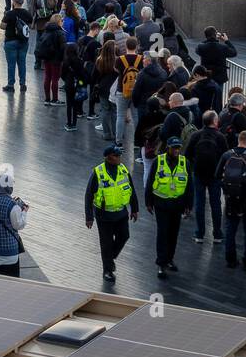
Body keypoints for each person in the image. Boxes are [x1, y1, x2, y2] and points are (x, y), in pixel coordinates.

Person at [84, 144, 139, 284]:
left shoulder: (123, 169)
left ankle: (110, 257)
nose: (119, 158)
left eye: (119, 155)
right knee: (106, 243)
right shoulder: (98, 173)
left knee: (124, 236)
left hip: (121, 213)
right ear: (108, 158)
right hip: (104, 216)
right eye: (116, 156)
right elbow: (88, 195)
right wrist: (89, 217)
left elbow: (131, 189)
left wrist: (135, 208)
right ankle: (107, 270)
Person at [145, 135, 191, 280]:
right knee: (163, 233)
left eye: (178, 148)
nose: (177, 150)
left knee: (173, 234)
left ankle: (170, 259)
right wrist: (148, 202)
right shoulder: (158, 161)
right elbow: (150, 181)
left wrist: (189, 204)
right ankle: (161, 263)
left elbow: (190, 186)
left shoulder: (185, 163)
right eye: (174, 148)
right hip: (161, 204)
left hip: (177, 205)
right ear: (168, 148)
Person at [216, 130, 246, 271]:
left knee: (231, 228)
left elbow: (217, 175)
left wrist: (226, 190)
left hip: (231, 198)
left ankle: (230, 260)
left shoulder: (226, 155)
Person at [185, 110, 228, 245]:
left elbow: (187, 154)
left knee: (200, 203)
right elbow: (225, 157)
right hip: (215, 175)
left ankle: (199, 234)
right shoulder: (220, 137)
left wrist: (195, 164)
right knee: (216, 204)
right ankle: (217, 234)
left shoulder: (196, 135)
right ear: (215, 122)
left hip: (198, 173)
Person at [0, 163, 28, 276]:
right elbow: (19, 225)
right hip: (9, 255)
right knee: (13, 285)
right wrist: (24, 212)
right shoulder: (13, 206)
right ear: (10, 188)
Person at [2, 0, 33, 94]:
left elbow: (2, 26)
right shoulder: (27, 13)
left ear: (14, 2)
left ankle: (11, 85)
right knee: (22, 63)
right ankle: (22, 84)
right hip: (23, 42)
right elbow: (31, 25)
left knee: (11, 64)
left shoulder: (10, 14)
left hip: (11, 41)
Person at [195, 26, 236, 90]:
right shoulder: (222, 47)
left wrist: (209, 39)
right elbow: (234, 52)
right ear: (215, 34)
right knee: (218, 96)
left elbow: (198, 49)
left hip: (206, 76)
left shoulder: (201, 47)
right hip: (219, 77)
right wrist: (226, 41)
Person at [37, 15, 66, 106]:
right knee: (55, 79)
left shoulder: (47, 29)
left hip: (46, 57)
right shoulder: (60, 32)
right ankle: (55, 99)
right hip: (56, 59)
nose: (63, 21)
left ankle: (47, 99)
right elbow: (63, 47)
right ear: (58, 21)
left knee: (47, 77)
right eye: (61, 20)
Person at [61, 41, 88, 132]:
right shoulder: (80, 61)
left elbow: (62, 74)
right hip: (77, 84)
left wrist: (66, 80)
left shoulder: (66, 61)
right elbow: (83, 74)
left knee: (69, 104)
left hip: (69, 83)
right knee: (75, 104)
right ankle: (74, 123)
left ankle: (69, 123)